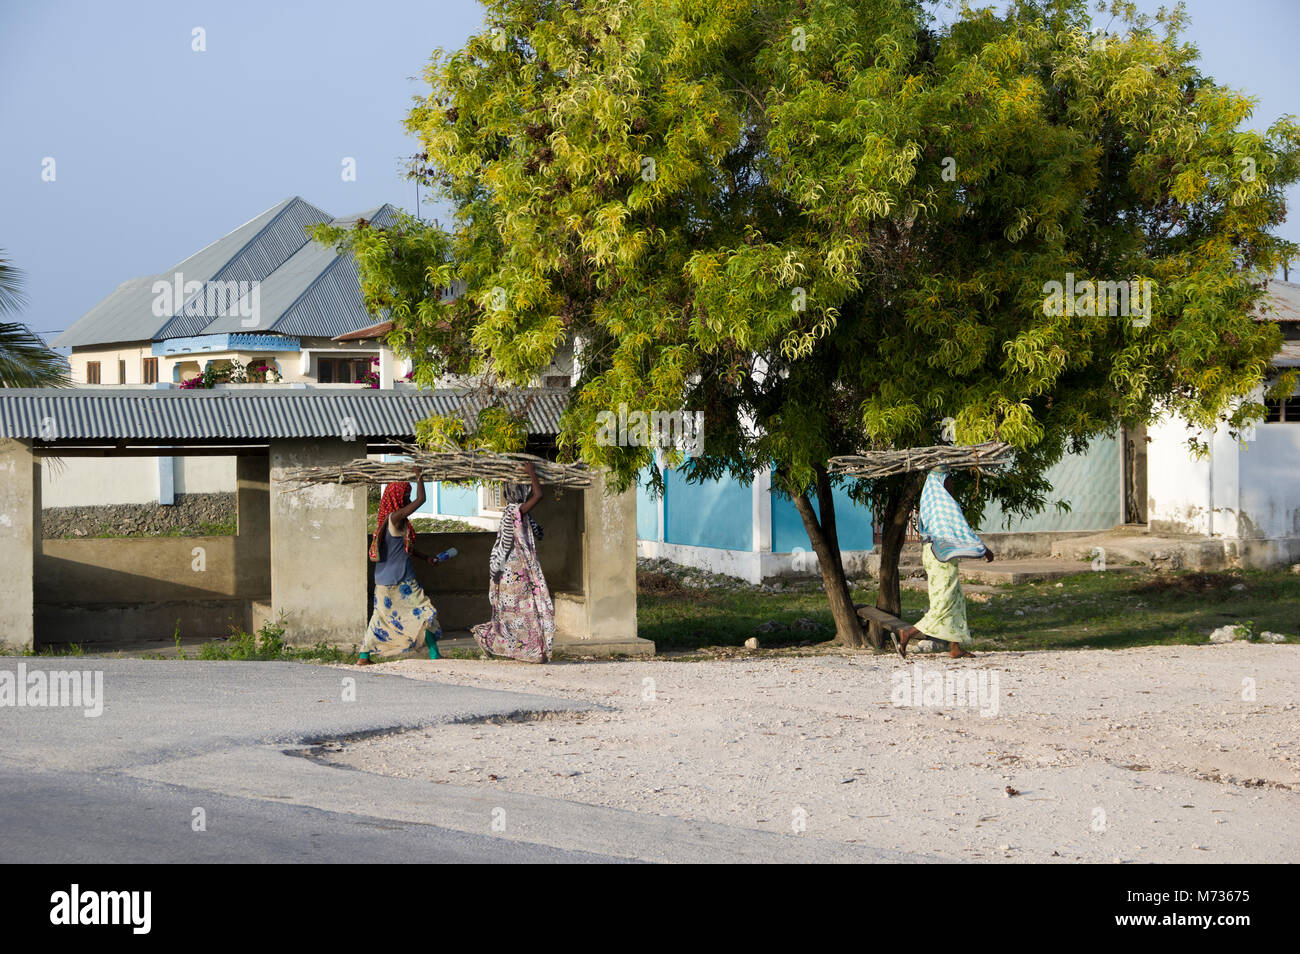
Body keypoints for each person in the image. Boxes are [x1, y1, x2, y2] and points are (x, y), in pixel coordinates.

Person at [897, 466, 994, 659]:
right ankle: (909, 632)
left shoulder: (931, 502)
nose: (952, 487)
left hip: (935, 554)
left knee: (955, 598)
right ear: (942, 484)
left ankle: (955, 647)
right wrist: (982, 548)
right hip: (940, 556)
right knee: (944, 601)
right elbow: (961, 529)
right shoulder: (944, 507)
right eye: (949, 482)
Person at [472, 462, 555, 663]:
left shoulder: (520, 514)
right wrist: (532, 473)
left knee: (522, 614)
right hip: (511, 573)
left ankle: (528, 651)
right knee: (522, 614)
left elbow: (537, 532)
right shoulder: (513, 511)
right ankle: (522, 650)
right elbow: (539, 496)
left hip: (515, 572)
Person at [359, 473, 445, 664]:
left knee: (380, 617)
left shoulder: (388, 522)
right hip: (402, 579)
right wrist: (419, 474)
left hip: (382, 579)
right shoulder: (395, 518)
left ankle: (364, 656)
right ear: (398, 497)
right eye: (406, 496)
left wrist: (426, 558)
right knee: (424, 611)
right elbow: (422, 500)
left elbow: (404, 549)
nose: (408, 500)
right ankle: (434, 654)